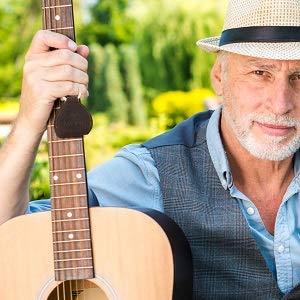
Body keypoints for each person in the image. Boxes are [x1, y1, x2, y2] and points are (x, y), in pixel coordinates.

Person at [1, 0, 300, 298]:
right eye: (260, 73)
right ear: (219, 77)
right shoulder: (153, 171)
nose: (281, 104)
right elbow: (10, 232)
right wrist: (29, 121)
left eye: (298, 77)